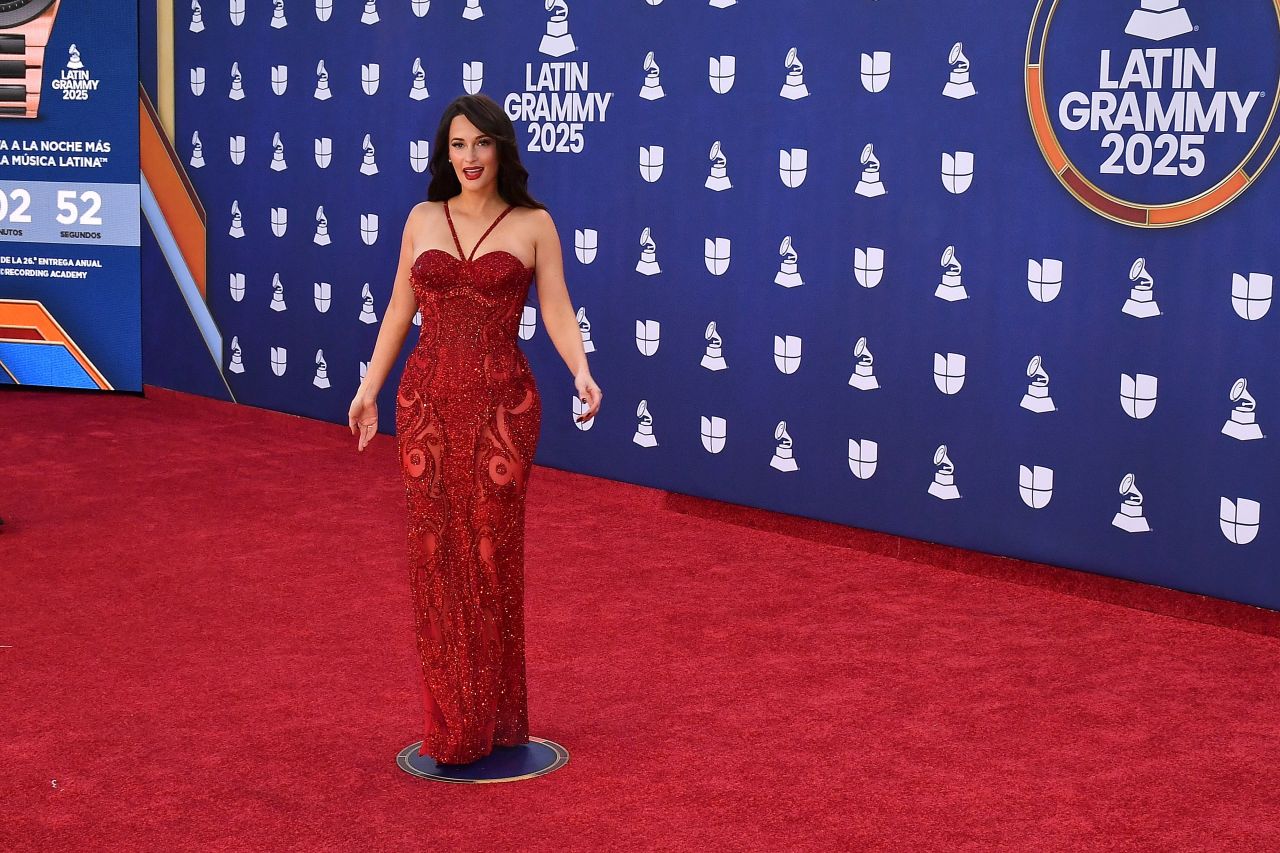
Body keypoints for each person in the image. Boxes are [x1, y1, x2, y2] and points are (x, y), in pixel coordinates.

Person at [347, 93, 602, 765]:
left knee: (492, 561)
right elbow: (400, 308)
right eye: (458, 145)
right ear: (445, 151)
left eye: (481, 144)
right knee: (433, 561)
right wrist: (370, 388)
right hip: (426, 407)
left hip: (501, 414)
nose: (469, 158)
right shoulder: (421, 217)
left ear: (502, 149)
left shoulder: (534, 224)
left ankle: (495, 718)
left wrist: (581, 370)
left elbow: (558, 310)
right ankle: (453, 725)